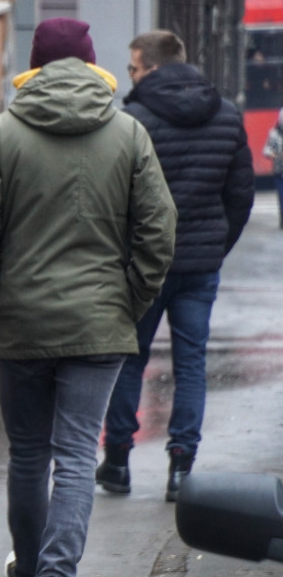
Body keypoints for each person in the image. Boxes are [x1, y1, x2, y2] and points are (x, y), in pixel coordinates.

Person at [0, 18, 175, 577]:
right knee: (78, 453)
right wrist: (129, 300)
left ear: (34, 68)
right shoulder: (128, 134)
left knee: (28, 454)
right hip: (101, 322)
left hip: (22, 319)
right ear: (91, 64)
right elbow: (159, 230)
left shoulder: (1, 134)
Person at [97, 31, 254, 502]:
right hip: (199, 265)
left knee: (129, 358)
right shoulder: (226, 115)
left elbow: (114, 197)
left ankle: (119, 463)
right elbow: (241, 194)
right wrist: (214, 247)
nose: (130, 77)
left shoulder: (132, 120)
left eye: (133, 69)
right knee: (191, 365)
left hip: (144, 263)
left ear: (151, 68)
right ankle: (181, 468)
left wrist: (125, 252)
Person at [263, 109, 283, 229]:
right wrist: (276, 154)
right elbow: (266, 151)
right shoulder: (274, 134)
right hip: (279, 172)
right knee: (282, 197)